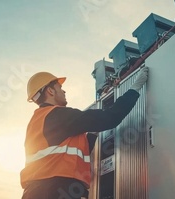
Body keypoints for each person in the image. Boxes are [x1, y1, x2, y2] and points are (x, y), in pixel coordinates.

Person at [20, 67, 149, 199]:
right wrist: (135, 88)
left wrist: (92, 134)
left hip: (36, 191)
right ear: (50, 91)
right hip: (57, 189)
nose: (63, 91)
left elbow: (65, 153)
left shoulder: (38, 120)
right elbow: (111, 117)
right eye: (59, 87)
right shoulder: (59, 115)